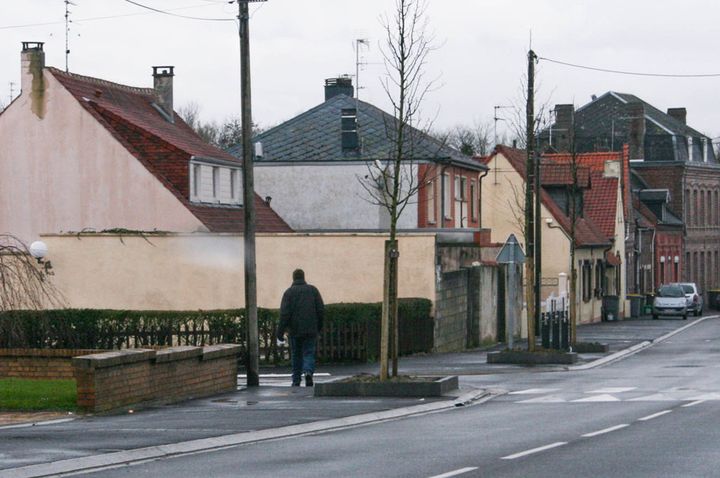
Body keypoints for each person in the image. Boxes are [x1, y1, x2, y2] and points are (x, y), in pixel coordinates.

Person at [276, 269, 324, 386]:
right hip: (311, 329)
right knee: (309, 352)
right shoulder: (313, 290)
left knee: (296, 355)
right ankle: (308, 372)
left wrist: (280, 333)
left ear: (293, 278)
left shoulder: (288, 293)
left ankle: (296, 380)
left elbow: (284, 314)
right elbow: (321, 310)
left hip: (295, 330)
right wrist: (318, 327)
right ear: (304, 277)